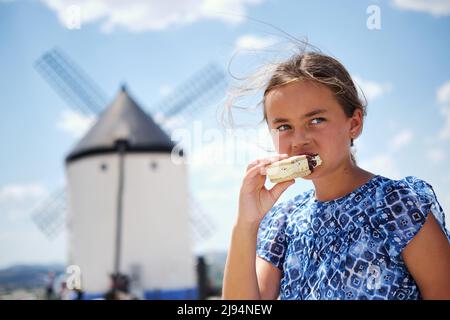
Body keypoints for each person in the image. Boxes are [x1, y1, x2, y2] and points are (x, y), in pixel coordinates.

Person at [222, 49, 450, 300]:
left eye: (316, 120)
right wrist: (246, 223)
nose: (299, 140)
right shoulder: (283, 222)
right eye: (284, 126)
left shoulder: (397, 206)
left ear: (354, 124)